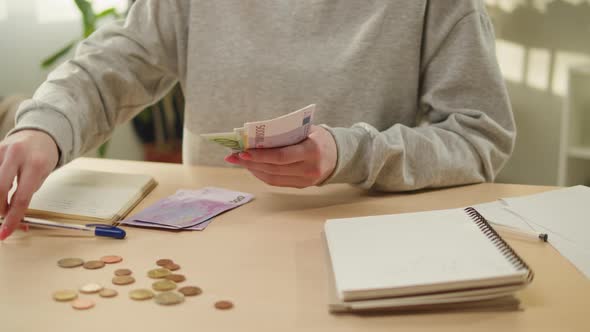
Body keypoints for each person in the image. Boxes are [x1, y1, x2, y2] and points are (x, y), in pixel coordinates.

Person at [0, 0, 515, 240]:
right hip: (203, 248)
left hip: (366, 245)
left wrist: (351, 154)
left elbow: (479, 136)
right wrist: (43, 126)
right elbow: (108, 67)